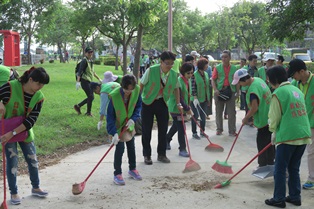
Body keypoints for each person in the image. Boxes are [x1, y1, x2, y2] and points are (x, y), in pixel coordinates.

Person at [0, 67, 50, 205]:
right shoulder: (10, 87)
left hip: (23, 131)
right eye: (39, 84)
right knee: (12, 162)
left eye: (43, 85)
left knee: (32, 159)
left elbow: (31, 121)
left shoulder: (39, 97)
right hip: (6, 132)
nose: (40, 88)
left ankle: (36, 187)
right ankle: (14, 192)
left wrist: (13, 133)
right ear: (31, 79)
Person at [265, 66, 311, 208]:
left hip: (287, 137)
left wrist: (273, 131)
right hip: (303, 135)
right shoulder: (296, 89)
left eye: (269, 79)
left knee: (280, 169)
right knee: (293, 167)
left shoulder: (278, 93)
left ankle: (278, 198)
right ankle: (295, 196)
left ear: (274, 79)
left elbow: (274, 118)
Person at [140, 51, 182, 165]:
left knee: (163, 130)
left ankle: (161, 154)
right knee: (146, 130)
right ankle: (147, 155)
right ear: (161, 62)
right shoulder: (151, 70)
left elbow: (176, 88)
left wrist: (178, 104)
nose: (169, 66)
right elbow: (141, 84)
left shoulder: (173, 74)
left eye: (171, 63)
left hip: (163, 102)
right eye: (167, 63)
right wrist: (137, 102)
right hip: (147, 102)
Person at [231, 68, 275, 170]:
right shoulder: (258, 80)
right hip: (271, 116)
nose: (240, 85)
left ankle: (263, 165)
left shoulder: (252, 91)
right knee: (270, 142)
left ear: (244, 80)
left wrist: (246, 118)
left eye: (240, 83)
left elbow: (254, 108)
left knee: (262, 142)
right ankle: (271, 162)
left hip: (264, 119)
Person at [106, 74, 142, 185]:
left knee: (131, 146)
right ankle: (117, 173)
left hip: (129, 124)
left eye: (131, 89)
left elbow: (138, 106)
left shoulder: (136, 90)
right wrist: (113, 133)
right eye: (126, 89)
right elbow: (110, 117)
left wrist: (133, 118)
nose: (129, 92)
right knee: (120, 149)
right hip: (117, 126)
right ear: (122, 86)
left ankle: (132, 169)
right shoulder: (114, 96)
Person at [288, 59, 314, 190]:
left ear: (302, 71)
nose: (293, 77)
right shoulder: (294, 84)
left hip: (312, 123)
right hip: (300, 123)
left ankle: (312, 178)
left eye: (295, 74)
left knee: (311, 152)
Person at [166, 63, 194, 157]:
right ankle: (182, 149)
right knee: (181, 128)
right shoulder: (179, 81)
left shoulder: (187, 80)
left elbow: (187, 95)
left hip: (183, 108)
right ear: (183, 72)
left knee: (176, 126)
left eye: (191, 73)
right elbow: (180, 98)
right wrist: (187, 108)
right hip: (175, 108)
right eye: (188, 73)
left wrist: (188, 107)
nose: (190, 75)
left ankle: (167, 139)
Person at [211, 50, 239, 136]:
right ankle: (219, 129)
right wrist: (215, 89)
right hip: (220, 92)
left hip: (231, 91)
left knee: (231, 112)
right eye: (222, 57)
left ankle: (232, 130)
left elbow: (237, 81)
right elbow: (213, 79)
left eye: (226, 57)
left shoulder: (234, 68)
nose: (223, 58)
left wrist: (238, 92)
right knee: (219, 112)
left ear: (230, 58)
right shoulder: (217, 67)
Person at [74, 47, 102, 117]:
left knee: (91, 97)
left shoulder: (90, 61)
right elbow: (80, 72)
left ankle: (79, 106)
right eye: (89, 52)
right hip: (84, 81)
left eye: (91, 52)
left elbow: (92, 72)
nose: (90, 54)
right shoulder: (84, 61)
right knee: (91, 96)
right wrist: (78, 82)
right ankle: (88, 112)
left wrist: (99, 79)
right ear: (85, 53)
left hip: (89, 81)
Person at [190, 58, 210, 139]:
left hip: (204, 99)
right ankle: (194, 133)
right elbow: (193, 87)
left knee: (203, 116)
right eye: (206, 64)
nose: (207, 66)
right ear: (202, 65)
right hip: (196, 100)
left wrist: (208, 99)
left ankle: (202, 131)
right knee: (195, 116)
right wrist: (195, 98)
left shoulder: (205, 74)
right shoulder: (194, 75)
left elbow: (207, 87)